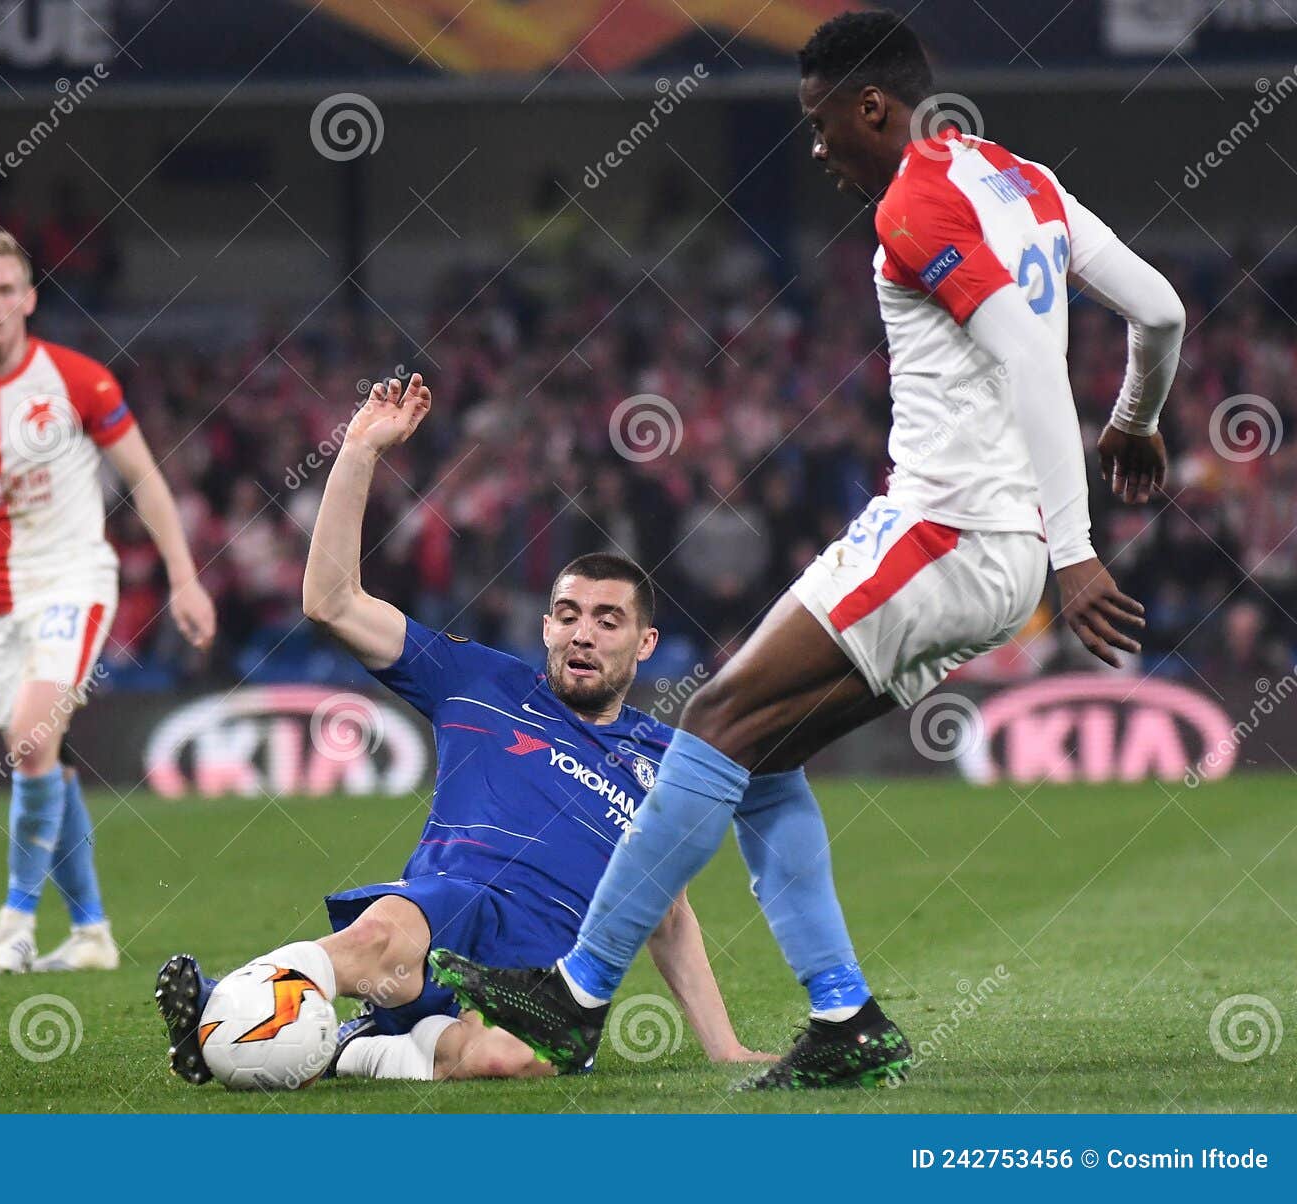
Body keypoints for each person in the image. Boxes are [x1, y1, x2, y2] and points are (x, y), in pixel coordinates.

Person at [429, 8, 1185, 1089]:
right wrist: (1132, 418)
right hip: (987, 547)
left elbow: (1024, 357)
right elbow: (1157, 309)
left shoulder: (916, 200)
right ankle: (845, 1018)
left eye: (823, 125)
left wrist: (1076, 550)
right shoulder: (1022, 180)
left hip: (944, 530)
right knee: (758, 753)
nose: (818, 149)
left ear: (872, 107)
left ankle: (572, 995)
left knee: (712, 718)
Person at [155, 374, 769, 1083]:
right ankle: (219, 1011)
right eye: (568, 615)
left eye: (608, 621)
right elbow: (330, 602)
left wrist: (724, 1048)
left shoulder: (664, 761)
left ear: (645, 644)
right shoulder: (479, 680)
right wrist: (358, 450)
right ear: (546, 627)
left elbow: (669, 915)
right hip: (445, 907)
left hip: (540, 963)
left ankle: (347, 1051)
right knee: (380, 938)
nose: (584, 634)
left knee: (511, 1060)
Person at [0, 231, 216, 973]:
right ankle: (94, 933)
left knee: (33, 743)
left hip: (73, 579)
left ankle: (14, 924)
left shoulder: (79, 381)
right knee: (45, 762)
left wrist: (184, 576)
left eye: (7, 290)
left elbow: (145, 478)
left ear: (29, 299)